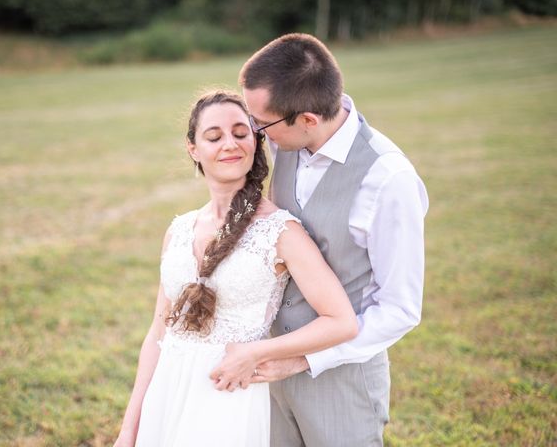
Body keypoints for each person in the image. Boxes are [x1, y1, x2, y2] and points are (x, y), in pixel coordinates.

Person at [211, 34, 429, 446]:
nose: (256, 136)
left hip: (341, 383)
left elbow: (400, 309)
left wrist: (303, 358)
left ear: (308, 119)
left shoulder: (388, 180)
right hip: (269, 373)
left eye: (263, 125)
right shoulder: (286, 142)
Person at [113, 90, 359, 447]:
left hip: (228, 396)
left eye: (241, 133)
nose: (229, 144)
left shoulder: (281, 232)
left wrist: (258, 352)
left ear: (256, 143)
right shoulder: (179, 229)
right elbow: (157, 333)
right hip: (167, 392)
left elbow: (342, 321)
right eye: (214, 137)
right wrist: (129, 428)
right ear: (193, 149)